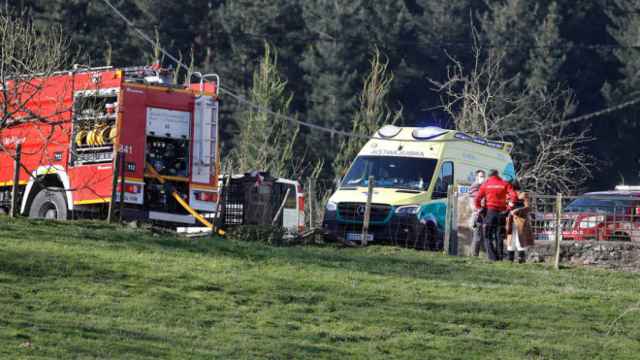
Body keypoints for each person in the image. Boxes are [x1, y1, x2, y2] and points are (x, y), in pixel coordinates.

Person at [475, 169, 517, 261]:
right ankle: (500, 257)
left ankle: (492, 257)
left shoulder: (485, 185)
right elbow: (514, 196)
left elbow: (477, 199)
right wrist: (509, 208)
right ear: (497, 175)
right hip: (502, 213)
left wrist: (479, 209)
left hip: (490, 212)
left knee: (487, 235)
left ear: (489, 176)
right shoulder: (505, 184)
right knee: (499, 236)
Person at [505, 185, 534, 263]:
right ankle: (510, 259)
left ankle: (521, 260)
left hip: (521, 221)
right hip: (510, 220)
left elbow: (528, 207)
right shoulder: (508, 195)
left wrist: (517, 210)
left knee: (520, 240)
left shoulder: (524, 195)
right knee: (511, 239)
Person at [469, 170, 486, 256]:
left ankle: (475, 254)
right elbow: (476, 201)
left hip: (482, 215)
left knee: (479, 236)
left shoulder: (482, 187)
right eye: (481, 176)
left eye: (483, 176)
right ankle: (474, 255)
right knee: (477, 237)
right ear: (476, 177)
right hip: (477, 215)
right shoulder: (475, 188)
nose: (482, 178)